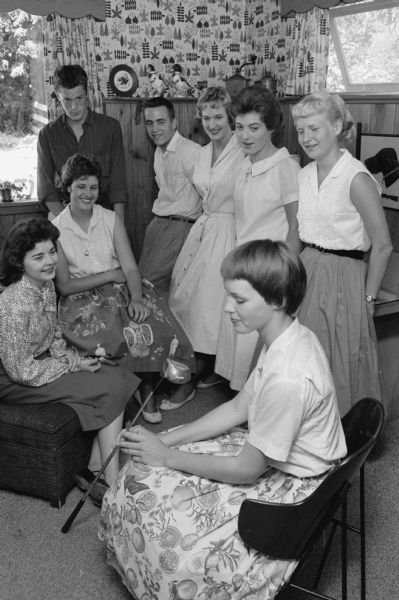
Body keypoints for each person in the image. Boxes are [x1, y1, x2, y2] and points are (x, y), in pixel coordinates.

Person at [98, 239, 347, 600]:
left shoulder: (289, 377)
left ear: (276, 300)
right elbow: (236, 409)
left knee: (157, 505)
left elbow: (248, 470)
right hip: (270, 453)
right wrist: (168, 439)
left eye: (240, 300)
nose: (227, 307)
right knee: (146, 464)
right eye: (228, 296)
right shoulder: (285, 336)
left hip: (293, 487)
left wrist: (167, 456)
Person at [0, 219, 139, 502]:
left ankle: (95, 470)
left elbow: (53, 335)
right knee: (110, 387)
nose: (50, 261)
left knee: (117, 373)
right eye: (38, 257)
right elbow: (21, 370)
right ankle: (111, 487)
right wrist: (70, 365)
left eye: (52, 252)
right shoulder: (15, 303)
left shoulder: (44, 285)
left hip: (42, 363)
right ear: (19, 260)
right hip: (15, 379)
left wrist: (76, 359)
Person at [52, 154, 195, 424]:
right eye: (81, 187)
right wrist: (108, 274)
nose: (88, 194)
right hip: (81, 299)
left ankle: (147, 388)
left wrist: (138, 299)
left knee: (152, 323)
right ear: (68, 187)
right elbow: (65, 285)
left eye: (93, 188)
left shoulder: (109, 219)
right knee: (113, 333)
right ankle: (124, 396)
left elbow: (130, 268)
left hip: (122, 289)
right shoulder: (56, 229)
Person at [292, 91, 392, 415]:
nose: (306, 137)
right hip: (306, 271)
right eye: (301, 130)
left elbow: (383, 245)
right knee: (301, 356)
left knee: (338, 357)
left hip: (344, 278)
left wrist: (368, 298)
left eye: (314, 128)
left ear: (335, 126)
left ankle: (338, 440)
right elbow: (297, 232)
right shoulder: (304, 174)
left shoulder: (356, 177)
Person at [215, 86, 301, 392]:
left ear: (272, 127)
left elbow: (296, 228)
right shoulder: (243, 164)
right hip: (244, 263)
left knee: (263, 357)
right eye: (238, 128)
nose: (245, 136)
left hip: (269, 272)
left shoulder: (286, 167)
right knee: (242, 350)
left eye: (254, 128)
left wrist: (281, 279)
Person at [164, 87, 244, 409]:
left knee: (210, 309)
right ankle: (199, 370)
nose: (212, 124)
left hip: (231, 232)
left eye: (218, 117)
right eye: (206, 117)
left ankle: (193, 381)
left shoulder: (244, 150)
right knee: (184, 302)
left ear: (230, 117)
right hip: (204, 228)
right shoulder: (200, 153)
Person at [37, 65, 127, 220]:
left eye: (79, 98)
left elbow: (118, 184)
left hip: (103, 214)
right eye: (67, 100)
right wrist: (69, 222)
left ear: (88, 94)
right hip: (63, 215)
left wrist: (118, 225)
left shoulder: (110, 128)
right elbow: (46, 188)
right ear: (58, 97)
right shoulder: (47, 135)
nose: (74, 107)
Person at [138, 97, 202, 296]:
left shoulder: (191, 151)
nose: (155, 129)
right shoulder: (158, 151)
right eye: (149, 123)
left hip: (181, 226)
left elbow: (209, 196)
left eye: (161, 122)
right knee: (147, 286)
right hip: (157, 225)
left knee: (146, 287)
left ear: (174, 123)